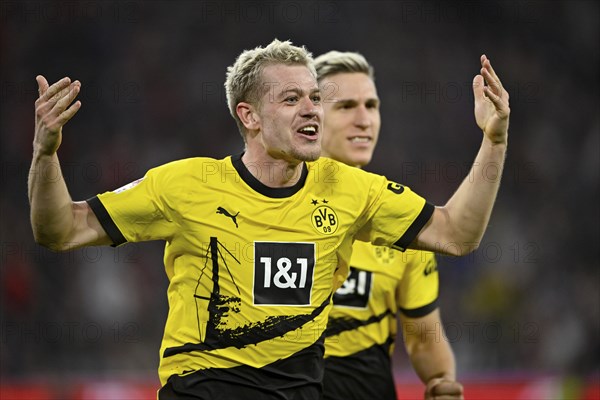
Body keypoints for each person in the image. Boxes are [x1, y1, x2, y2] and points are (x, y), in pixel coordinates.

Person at [29, 39, 509, 399]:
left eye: (316, 98)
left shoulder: (350, 191)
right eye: (292, 99)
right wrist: (45, 153)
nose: (312, 110)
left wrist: (494, 141)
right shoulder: (184, 185)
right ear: (250, 115)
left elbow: (457, 234)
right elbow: (60, 230)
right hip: (205, 388)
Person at [315, 51, 464, 400]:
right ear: (311, 116)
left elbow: (424, 337)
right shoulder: (267, 208)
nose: (364, 119)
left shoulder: (401, 219)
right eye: (346, 106)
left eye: (372, 105)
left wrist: (441, 381)